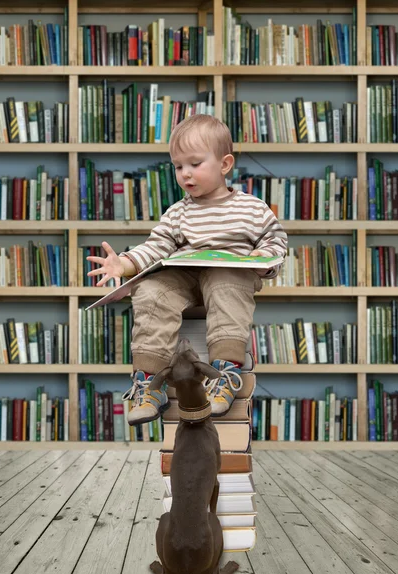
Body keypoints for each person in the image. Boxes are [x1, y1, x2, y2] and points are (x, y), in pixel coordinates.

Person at [87, 114, 288, 426]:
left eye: (195, 163)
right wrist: (124, 264)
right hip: (185, 277)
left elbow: (276, 240)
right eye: (179, 166)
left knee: (225, 280)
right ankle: (149, 383)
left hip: (229, 274)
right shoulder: (177, 213)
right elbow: (156, 246)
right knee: (150, 289)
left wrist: (261, 256)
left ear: (225, 164)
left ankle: (225, 374)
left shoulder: (252, 208)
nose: (185, 174)